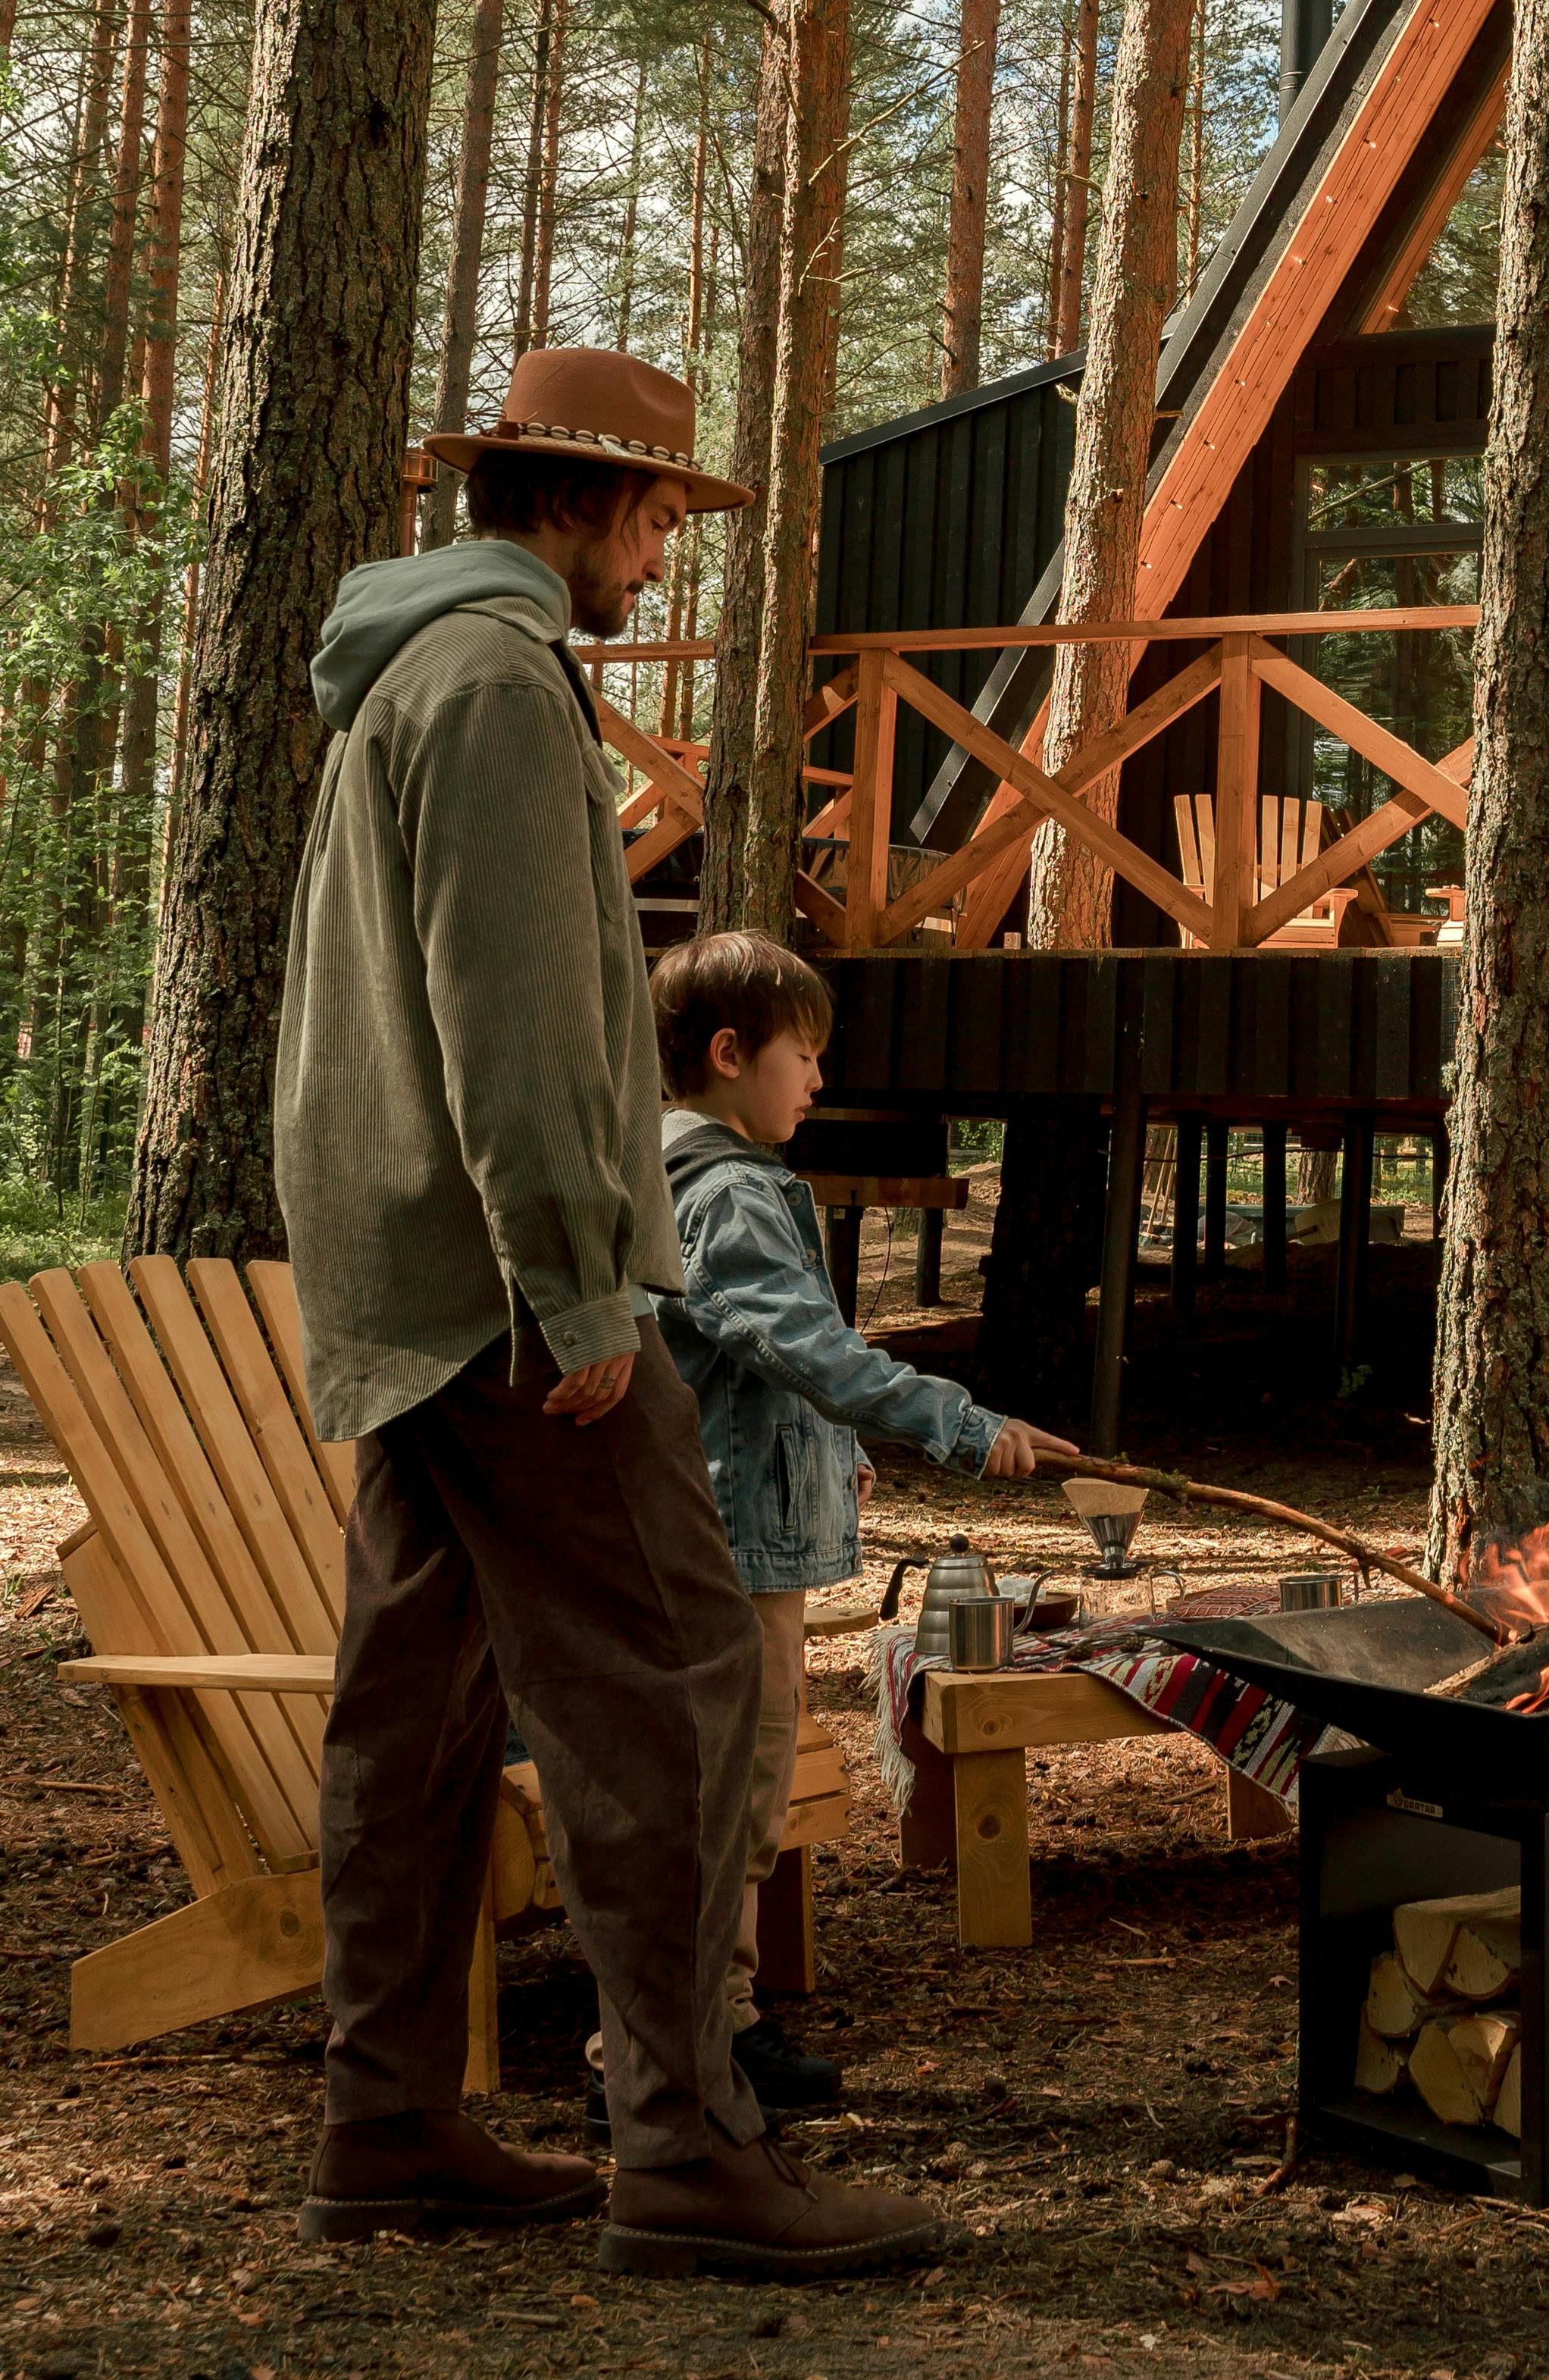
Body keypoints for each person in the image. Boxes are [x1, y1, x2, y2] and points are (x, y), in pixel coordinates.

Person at [274, 343, 939, 2278]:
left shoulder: (412, 670)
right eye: (659, 514)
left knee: (415, 1710)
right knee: (681, 1683)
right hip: (505, 1286)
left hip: (414, 1274)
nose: (664, 552)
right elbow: (520, 1019)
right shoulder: (488, 682)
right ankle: (686, 2147)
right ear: (580, 500)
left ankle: (385, 2121)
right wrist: (577, 1282)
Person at [640, 927, 1078, 2127]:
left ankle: (712, 2027)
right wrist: (958, 1422)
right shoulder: (725, 1193)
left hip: (739, 1533)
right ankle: (673, 2048)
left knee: (747, 1776)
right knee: (728, 1786)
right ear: (731, 1054)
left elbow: (750, 1367)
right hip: (721, 1548)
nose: (820, 1080)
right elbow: (804, 1347)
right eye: (804, 1055)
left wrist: (837, 1455)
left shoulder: (705, 1180)